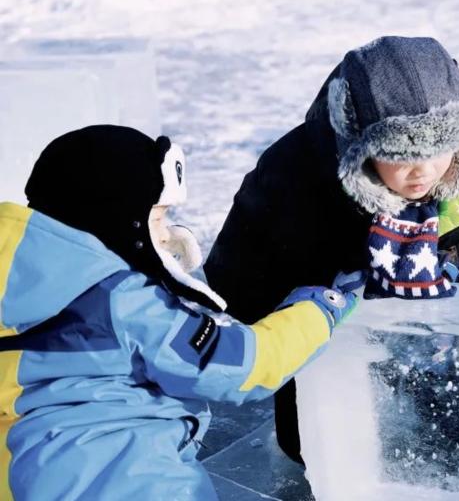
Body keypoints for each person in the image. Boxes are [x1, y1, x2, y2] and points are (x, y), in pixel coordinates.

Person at [204, 36, 459, 464]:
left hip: (453, 360)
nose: (423, 170)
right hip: (335, 371)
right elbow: (231, 288)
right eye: (401, 152)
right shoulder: (289, 177)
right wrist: (327, 300)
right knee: (328, 458)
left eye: (440, 148)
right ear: (359, 137)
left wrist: (458, 289)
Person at [0, 125, 357, 500]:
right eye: (157, 217)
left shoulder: (23, 289)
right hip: (135, 484)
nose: (167, 233)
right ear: (118, 219)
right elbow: (244, 366)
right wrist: (318, 310)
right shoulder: (124, 302)